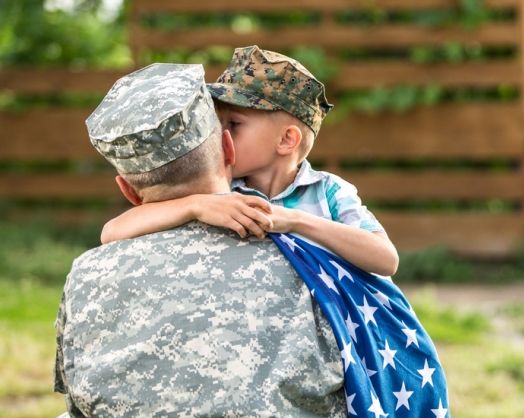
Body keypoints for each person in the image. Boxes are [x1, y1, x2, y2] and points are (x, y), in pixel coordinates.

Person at [28, 63, 358, 418]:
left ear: (128, 190)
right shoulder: (315, 259)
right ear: (228, 149)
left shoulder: (88, 276)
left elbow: (86, 416)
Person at [100, 46, 399, 277]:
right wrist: (195, 205)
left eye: (235, 124)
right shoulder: (222, 191)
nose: (221, 134)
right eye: (219, 122)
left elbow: (386, 259)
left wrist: (294, 221)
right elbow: (112, 232)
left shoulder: (328, 192)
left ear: (286, 141)